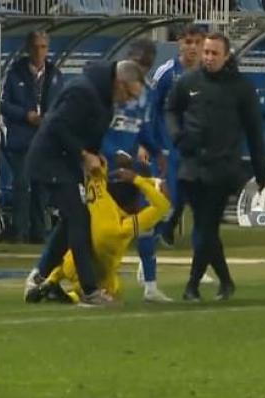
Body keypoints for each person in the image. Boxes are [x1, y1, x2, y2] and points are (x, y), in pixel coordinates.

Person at [24, 60, 146, 306]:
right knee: (80, 218)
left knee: (72, 219)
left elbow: (88, 135)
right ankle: (90, 291)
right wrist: (83, 153)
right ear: (118, 83)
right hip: (50, 161)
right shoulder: (83, 91)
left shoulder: (103, 99)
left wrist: (95, 153)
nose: (128, 101)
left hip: (65, 163)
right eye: (128, 94)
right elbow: (56, 125)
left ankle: (39, 278)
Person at [167, 32, 265, 302]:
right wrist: (177, 136)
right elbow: (171, 109)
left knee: (205, 227)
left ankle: (192, 285)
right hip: (191, 166)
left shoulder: (241, 87)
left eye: (214, 54)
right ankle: (225, 282)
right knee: (206, 229)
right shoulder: (188, 81)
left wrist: (261, 171)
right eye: (206, 52)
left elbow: (254, 131)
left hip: (222, 168)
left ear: (227, 56)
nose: (209, 58)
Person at [28, 159, 169, 304]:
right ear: (134, 198)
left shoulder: (100, 199)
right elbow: (162, 205)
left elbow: (96, 169)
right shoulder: (123, 227)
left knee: (79, 243)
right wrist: (139, 179)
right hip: (97, 276)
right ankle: (74, 296)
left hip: (68, 266)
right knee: (114, 292)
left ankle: (51, 282)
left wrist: (120, 175)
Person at [98, 38, 172, 303]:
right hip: (102, 170)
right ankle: (81, 281)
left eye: (146, 65)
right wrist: (112, 153)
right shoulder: (107, 89)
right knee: (101, 233)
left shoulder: (147, 93)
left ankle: (150, 286)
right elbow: (95, 130)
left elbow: (143, 128)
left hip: (130, 169)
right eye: (138, 63)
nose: (141, 69)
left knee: (144, 223)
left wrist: (157, 150)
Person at [1, 31, 63, 243]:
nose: (39, 51)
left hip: (45, 140)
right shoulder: (15, 73)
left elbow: (61, 105)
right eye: (36, 47)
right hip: (21, 139)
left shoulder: (54, 74)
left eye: (43, 47)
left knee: (41, 187)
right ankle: (19, 232)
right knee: (22, 185)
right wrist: (25, 115)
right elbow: (0, 105)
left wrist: (49, 118)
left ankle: (39, 233)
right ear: (28, 49)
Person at [154, 25, 205, 248]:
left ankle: (166, 230)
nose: (192, 47)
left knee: (192, 189)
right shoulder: (166, 72)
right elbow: (152, 109)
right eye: (188, 42)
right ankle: (156, 232)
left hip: (196, 142)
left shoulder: (208, 73)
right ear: (179, 44)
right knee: (170, 190)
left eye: (197, 42)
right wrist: (150, 144)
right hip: (168, 143)